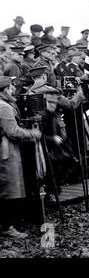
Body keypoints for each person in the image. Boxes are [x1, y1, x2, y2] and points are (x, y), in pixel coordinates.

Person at [0, 76, 42, 238]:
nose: (14, 90)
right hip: (6, 151)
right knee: (9, 189)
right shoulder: (4, 107)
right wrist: (33, 133)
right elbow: (12, 131)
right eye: (11, 87)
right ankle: (7, 227)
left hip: (5, 149)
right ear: (4, 90)